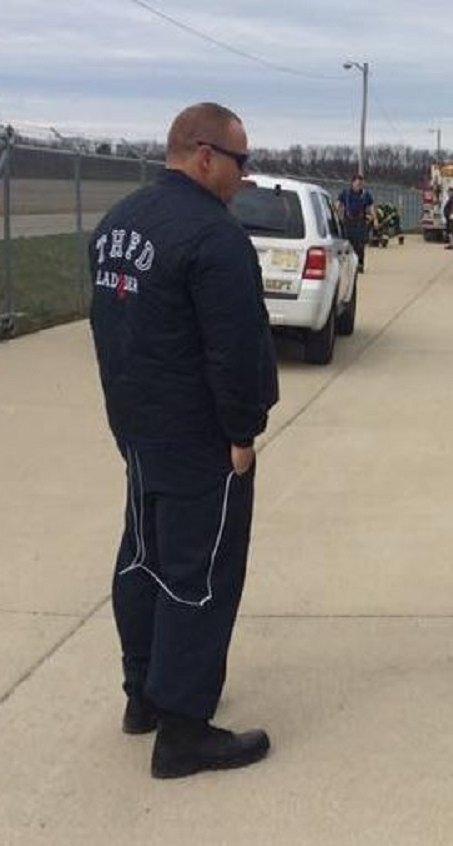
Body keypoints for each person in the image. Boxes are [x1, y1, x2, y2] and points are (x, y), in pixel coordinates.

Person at [88, 102, 279, 778]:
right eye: (240, 161)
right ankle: (183, 730)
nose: (243, 175)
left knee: (144, 558)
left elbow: (107, 332)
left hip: (139, 431)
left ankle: (142, 694)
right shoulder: (214, 238)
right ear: (204, 155)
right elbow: (235, 350)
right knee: (198, 576)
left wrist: (124, 418)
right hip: (198, 440)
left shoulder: (117, 224)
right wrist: (242, 432)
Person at [336, 174, 374, 271]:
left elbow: (371, 206)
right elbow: (338, 203)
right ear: (352, 183)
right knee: (347, 244)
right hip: (348, 223)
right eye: (357, 184)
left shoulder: (366, 195)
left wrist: (374, 217)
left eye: (361, 184)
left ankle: (360, 264)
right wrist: (336, 214)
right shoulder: (346, 193)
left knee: (360, 246)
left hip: (360, 223)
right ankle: (347, 264)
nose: (359, 186)